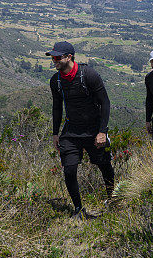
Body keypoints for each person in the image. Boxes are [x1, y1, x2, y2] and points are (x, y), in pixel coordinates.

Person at [47, 41, 114, 218]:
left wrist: (102, 132)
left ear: (69, 57)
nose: (54, 61)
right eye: (52, 57)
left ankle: (113, 200)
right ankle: (78, 209)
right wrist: (55, 133)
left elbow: (105, 102)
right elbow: (57, 108)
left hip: (94, 129)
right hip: (71, 131)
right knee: (69, 169)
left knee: (104, 165)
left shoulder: (89, 74)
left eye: (57, 57)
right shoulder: (56, 81)